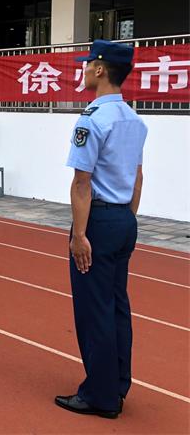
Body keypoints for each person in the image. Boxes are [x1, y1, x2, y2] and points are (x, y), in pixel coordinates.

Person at [55, 40, 147, 420]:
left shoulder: (92, 120)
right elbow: (138, 177)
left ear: (100, 69)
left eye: (88, 62)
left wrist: (80, 235)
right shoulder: (134, 121)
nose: (84, 68)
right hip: (124, 219)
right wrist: (127, 218)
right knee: (117, 306)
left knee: (95, 310)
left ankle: (100, 395)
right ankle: (118, 384)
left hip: (99, 221)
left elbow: (82, 183)